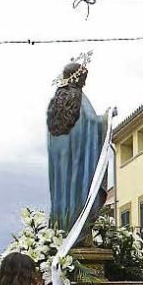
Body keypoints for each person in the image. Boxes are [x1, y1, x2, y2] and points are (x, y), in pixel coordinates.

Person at [47, 53, 106, 233]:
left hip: (60, 163)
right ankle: (80, 230)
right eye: (83, 78)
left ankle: (62, 227)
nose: (85, 83)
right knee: (81, 194)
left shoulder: (55, 104)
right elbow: (92, 124)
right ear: (77, 78)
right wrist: (107, 119)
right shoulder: (79, 98)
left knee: (63, 191)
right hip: (79, 162)